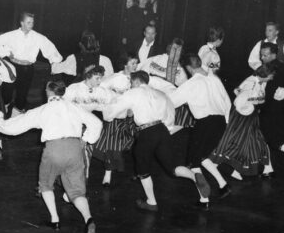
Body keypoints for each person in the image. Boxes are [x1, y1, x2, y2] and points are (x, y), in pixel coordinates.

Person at [0, 79, 101, 233]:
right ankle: (89, 219)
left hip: (54, 149)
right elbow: (96, 123)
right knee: (76, 191)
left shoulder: (43, 110)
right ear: (63, 92)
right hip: (75, 148)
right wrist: (86, 139)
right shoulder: (74, 107)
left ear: (48, 92)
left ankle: (55, 220)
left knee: (45, 184)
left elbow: (16, 126)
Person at [102, 71, 212, 211]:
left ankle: (151, 202)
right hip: (162, 130)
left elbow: (111, 111)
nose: (130, 85)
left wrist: (107, 113)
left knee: (142, 168)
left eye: (131, 83)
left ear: (136, 82)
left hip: (146, 132)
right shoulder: (161, 94)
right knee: (172, 167)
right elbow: (171, 113)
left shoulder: (133, 92)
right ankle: (194, 176)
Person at [169, 54, 232, 207]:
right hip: (220, 122)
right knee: (202, 156)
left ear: (189, 68)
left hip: (205, 123)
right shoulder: (214, 79)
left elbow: (172, 101)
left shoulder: (192, 83)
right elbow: (228, 103)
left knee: (193, 162)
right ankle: (224, 185)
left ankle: (204, 199)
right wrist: (225, 122)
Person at [204, 65, 275, 192]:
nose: (272, 78)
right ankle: (215, 165)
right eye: (271, 75)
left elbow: (236, 90)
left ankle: (235, 169)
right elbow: (238, 100)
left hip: (250, 116)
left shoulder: (257, 81)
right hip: (243, 117)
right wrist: (246, 108)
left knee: (250, 141)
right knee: (237, 141)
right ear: (265, 75)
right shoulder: (252, 83)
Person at [0, 12, 63, 116]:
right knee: (7, 92)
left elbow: (50, 49)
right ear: (22, 23)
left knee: (22, 94)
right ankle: (2, 111)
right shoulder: (12, 35)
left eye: (32, 22)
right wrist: (6, 52)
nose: (31, 25)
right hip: (13, 66)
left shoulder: (37, 37)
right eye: (28, 22)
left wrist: (55, 61)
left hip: (27, 68)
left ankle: (16, 118)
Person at [63, 66, 116, 180]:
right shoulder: (74, 89)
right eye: (97, 78)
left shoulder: (101, 91)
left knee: (86, 155)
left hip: (90, 125)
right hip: (72, 125)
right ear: (88, 76)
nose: (100, 81)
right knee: (69, 155)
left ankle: (83, 183)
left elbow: (113, 102)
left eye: (101, 78)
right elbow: (62, 107)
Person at [96, 56, 142, 186]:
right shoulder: (115, 77)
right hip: (116, 116)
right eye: (132, 63)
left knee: (138, 144)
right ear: (125, 64)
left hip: (133, 117)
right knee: (112, 145)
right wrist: (112, 99)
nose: (135, 65)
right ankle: (107, 174)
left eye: (136, 63)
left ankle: (140, 172)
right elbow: (100, 88)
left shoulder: (138, 78)